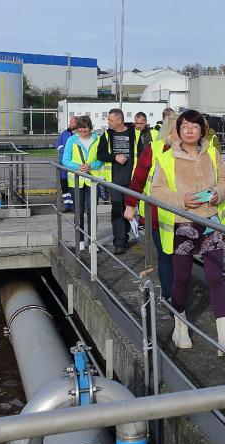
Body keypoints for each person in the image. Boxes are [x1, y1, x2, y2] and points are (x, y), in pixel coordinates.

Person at [150, 110, 225, 356]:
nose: (189, 130)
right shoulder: (166, 159)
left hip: (211, 222)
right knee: (182, 277)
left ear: (202, 131)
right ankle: (180, 327)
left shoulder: (212, 153)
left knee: (215, 277)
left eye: (194, 126)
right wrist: (182, 200)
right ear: (177, 130)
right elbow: (156, 191)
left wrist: (219, 193)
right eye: (184, 126)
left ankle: (224, 339)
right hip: (182, 222)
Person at [123, 113, 179, 300]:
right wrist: (131, 205)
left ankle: (176, 294)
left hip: (183, 214)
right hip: (157, 214)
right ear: (169, 133)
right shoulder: (154, 150)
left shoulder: (192, 153)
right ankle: (170, 297)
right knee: (165, 255)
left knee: (179, 257)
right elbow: (138, 178)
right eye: (177, 131)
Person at [96, 108, 143, 254]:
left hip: (131, 181)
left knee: (128, 211)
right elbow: (100, 155)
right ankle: (119, 242)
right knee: (116, 211)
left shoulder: (135, 134)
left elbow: (141, 156)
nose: (108, 122)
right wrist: (114, 157)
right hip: (114, 181)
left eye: (110, 120)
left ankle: (125, 236)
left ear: (119, 120)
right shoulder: (106, 135)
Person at [61, 115, 103, 251]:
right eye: (80, 127)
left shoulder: (98, 139)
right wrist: (77, 167)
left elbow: (101, 158)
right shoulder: (71, 140)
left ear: (90, 127)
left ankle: (92, 242)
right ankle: (80, 240)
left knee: (92, 212)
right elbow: (65, 160)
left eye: (85, 127)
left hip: (92, 179)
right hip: (76, 180)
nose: (83, 130)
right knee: (78, 212)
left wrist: (92, 165)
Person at [56, 116, 78, 213]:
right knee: (64, 185)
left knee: (73, 185)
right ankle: (67, 205)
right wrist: (65, 151)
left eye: (72, 123)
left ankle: (74, 205)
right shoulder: (64, 134)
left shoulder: (79, 135)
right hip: (63, 164)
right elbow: (57, 144)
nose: (70, 124)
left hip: (74, 165)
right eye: (70, 122)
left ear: (77, 123)